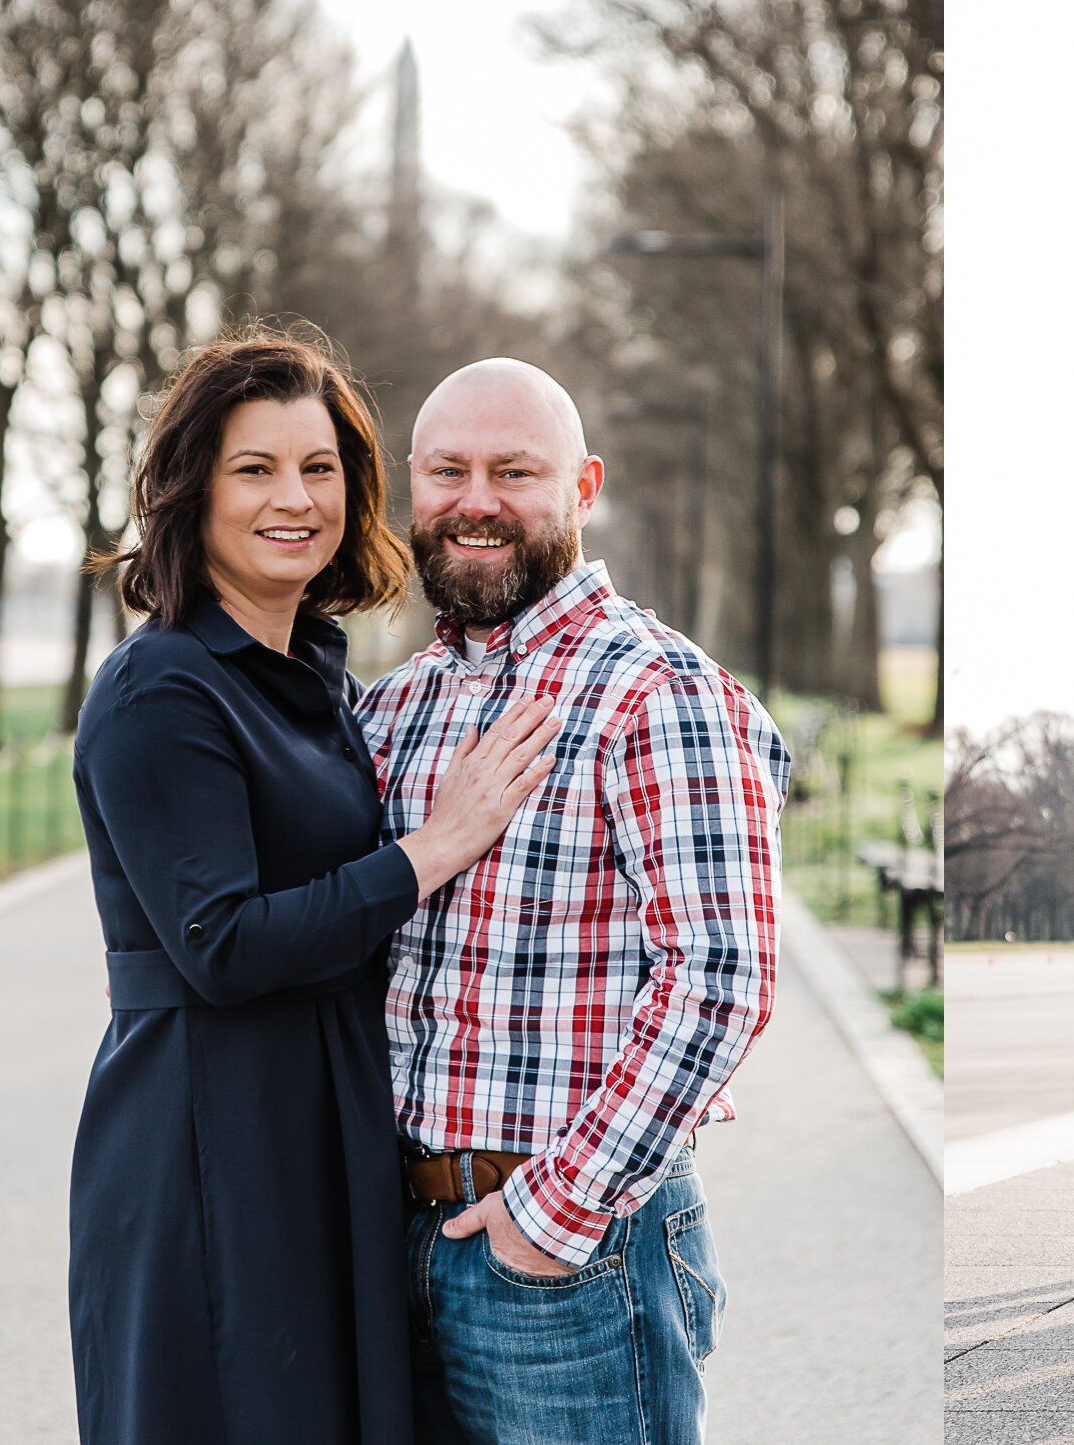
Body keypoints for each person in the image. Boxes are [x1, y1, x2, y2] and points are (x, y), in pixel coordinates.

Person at [67, 328, 560, 1445]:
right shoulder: (161, 690)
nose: (295, 497)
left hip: (328, 1133)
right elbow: (223, 945)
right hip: (210, 1144)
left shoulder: (317, 674)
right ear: (193, 494)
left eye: (320, 467)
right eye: (256, 469)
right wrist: (438, 847)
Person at [359, 358, 788, 1445]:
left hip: (569, 1257)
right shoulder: (396, 707)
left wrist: (552, 1217)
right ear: (414, 487)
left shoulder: (659, 692)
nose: (477, 501)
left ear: (583, 488)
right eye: (449, 471)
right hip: (393, 1243)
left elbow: (720, 980)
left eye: (516, 471)